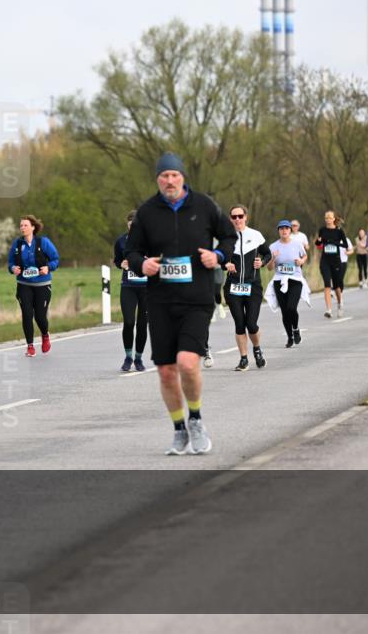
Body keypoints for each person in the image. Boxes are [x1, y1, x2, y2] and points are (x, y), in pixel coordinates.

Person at [125, 152, 236, 456]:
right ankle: (178, 429)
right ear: (158, 179)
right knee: (165, 370)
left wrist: (219, 257)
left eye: (174, 175)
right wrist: (142, 264)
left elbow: (229, 237)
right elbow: (131, 251)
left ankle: (196, 419)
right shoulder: (147, 212)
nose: (170, 180)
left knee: (188, 362)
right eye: (164, 176)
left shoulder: (204, 206)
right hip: (160, 301)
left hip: (197, 299)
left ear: (183, 177)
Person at [223, 204, 271, 371]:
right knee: (239, 323)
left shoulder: (255, 235)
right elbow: (219, 257)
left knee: (251, 324)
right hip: (233, 287)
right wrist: (225, 264)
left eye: (240, 216)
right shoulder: (226, 237)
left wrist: (262, 262)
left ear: (246, 217)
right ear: (230, 219)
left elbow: (268, 253)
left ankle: (257, 349)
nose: (237, 219)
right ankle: (243, 359)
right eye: (234, 217)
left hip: (253, 286)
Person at [8, 215, 60, 357]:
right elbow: (10, 262)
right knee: (27, 314)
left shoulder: (43, 242)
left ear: (33, 227)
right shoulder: (17, 244)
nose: (22, 228)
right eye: (21, 226)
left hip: (42, 284)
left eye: (25, 225)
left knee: (40, 317)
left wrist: (48, 267)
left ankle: (45, 335)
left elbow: (56, 259)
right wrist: (13, 269)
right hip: (24, 284)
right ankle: (30, 346)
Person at [266, 220, 310, 347]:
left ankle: (295, 329)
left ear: (290, 230)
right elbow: (269, 268)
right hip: (279, 280)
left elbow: (305, 256)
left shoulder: (297, 244)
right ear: (278, 231)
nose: (284, 230)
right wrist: (273, 258)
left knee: (291, 307)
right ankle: (290, 337)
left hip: (295, 280)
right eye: (281, 229)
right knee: (285, 311)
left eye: (286, 228)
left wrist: (301, 261)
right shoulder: (273, 247)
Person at [113, 210, 148, 372]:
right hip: (128, 286)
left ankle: (139, 358)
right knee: (128, 322)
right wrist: (121, 264)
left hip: (147, 288)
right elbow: (117, 260)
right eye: (130, 225)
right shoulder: (121, 241)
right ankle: (128, 357)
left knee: (142, 324)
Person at [314, 210, 350, 318]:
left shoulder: (339, 231)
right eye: (326, 218)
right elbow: (318, 243)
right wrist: (319, 241)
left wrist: (334, 243)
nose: (328, 220)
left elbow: (345, 245)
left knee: (337, 286)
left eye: (330, 218)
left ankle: (339, 303)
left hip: (336, 261)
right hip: (325, 260)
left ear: (334, 219)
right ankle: (329, 310)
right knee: (327, 284)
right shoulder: (322, 230)